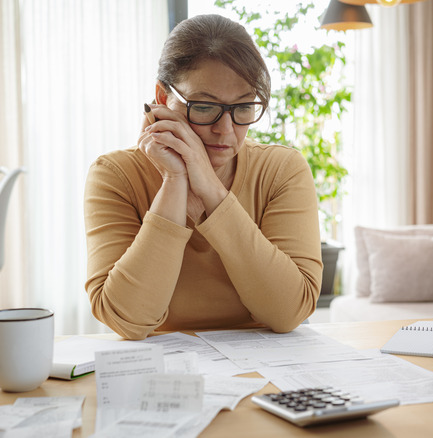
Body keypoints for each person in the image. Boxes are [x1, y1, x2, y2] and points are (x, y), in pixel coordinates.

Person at [83, 14, 322, 340]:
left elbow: (289, 311)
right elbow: (128, 320)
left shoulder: (281, 170)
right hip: (161, 369)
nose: (226, 130)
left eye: (243, 107)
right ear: (163, 97)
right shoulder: (115, 176)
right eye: (205, 107)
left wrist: (210, 190)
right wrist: (174, 181)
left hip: (264, 363)